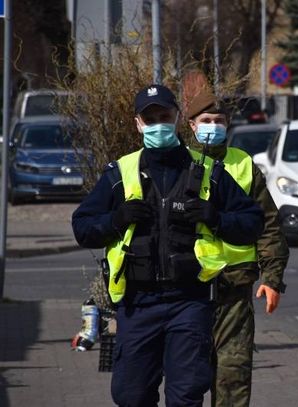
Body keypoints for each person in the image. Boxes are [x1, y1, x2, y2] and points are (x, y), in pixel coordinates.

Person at [72, 84, 264, 407]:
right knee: (129, 395)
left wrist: (216, 218)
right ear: (138, 124)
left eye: (164, 116)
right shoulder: (120, 174)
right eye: (150, 119)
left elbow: (252, 222)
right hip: (137, 303)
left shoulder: (207, 172)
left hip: (189, 302)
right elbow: (82, 227)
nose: (158, 124)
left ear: (176, 118)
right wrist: (115, 220)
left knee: (186, 395)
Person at [183, 89, 289, 407]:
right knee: (186, 382)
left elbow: (269, 225)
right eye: (206, 120)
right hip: (186, 291)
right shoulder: (176, 163)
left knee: (233, 378)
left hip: (234, 289)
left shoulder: (243, 164)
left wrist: (272, 278)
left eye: (219, 121)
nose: (212, 126)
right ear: (191, 125)